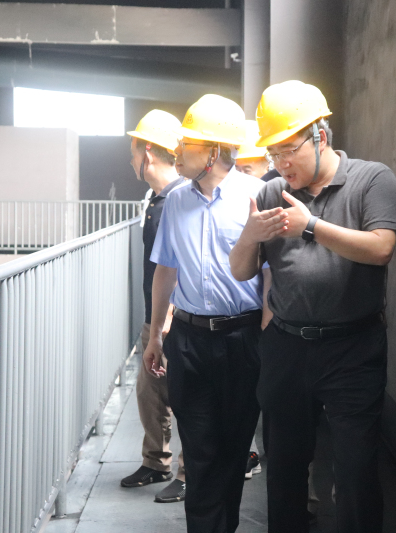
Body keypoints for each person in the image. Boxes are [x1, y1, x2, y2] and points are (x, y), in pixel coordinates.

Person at [230, 80, 396, 533]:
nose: (280, 163)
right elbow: (242, 271)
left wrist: (310, 226)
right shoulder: (270, 192)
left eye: (289, 150)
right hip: (286, 346)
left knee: (356, 472)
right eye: (273, 154)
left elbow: (381, 248)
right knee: (284, 469)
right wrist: (249, 236)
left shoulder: (371, 179)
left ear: (320, 136)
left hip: (353, 348)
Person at [143, 94, 281, 533]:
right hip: (189, 341)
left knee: (233, 450)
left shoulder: (254, 197)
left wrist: (265, 338)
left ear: (214, 153)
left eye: (188, 143)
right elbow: (166, 270)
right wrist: (156, 335)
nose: (178, 150)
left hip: (242, 340)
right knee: (200, 453)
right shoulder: (175, 201)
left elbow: (271, 273)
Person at [121, 109, 189, 503]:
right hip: (156, 316)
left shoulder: (180, 200)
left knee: (184, 396)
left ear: (147, 152)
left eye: (133, 151)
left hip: (174, 317)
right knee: (150, 391)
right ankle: (156, 461)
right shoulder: (157, 199)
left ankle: (188, 472)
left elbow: (181, 267)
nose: (130, 160)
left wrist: (166, 321)